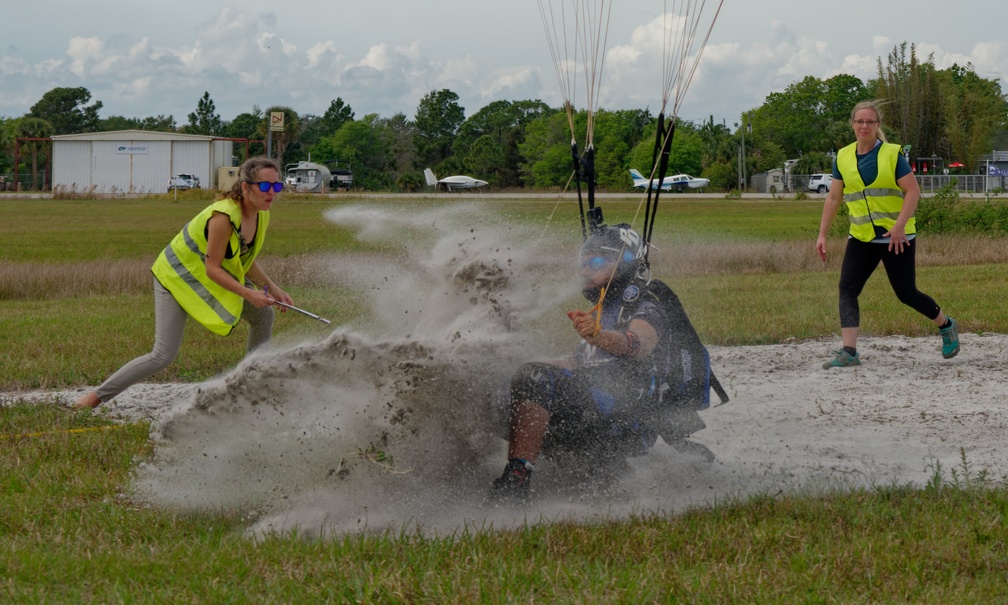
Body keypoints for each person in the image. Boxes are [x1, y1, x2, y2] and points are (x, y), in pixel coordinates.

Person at [489, 223, 712, 502]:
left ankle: (515, 482)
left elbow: (639, 344)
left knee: (534, 377)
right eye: (583, 263)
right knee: (498, 382)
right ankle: (594, 469)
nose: (585, 271)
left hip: (621, 416)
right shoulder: (604, 310)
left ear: (625, 263)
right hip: (595, 407)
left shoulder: (644, 304)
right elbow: (576, 364)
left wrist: (599, 336)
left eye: (595, 262)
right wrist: (515, 364)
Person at [73, 157, 295, 410]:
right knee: (162, 356)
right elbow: (213, 269)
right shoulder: (223, 217)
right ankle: (93, 398)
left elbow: (245, 259)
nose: (272, 193)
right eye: (265, 187)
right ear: (245, 187)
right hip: (176, 277)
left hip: (204, 275)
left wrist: (273, 289)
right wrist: (249, 293)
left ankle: (249, 385)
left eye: (277, 187)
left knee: (263, 314)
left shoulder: (260, 214)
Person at [815, 100, 959, 369]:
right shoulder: (843, 157)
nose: (865, 126)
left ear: (877, 125)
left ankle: (946, 324)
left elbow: (913, 192)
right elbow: (834, 197)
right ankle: (849, 352)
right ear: (852, 125)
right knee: (847, 289)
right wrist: (822, 235)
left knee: (906, 293)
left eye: (870, 121)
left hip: (897, 236)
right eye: (860, 121)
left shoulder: (893, 154)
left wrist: (900, 225)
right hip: (861, 237)